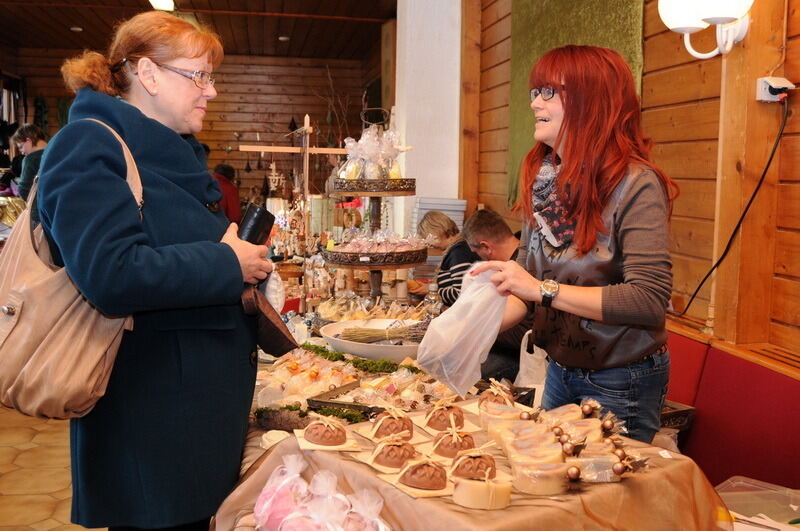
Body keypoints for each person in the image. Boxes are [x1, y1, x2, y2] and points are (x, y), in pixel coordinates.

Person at [36, 11, 274, 530]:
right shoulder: (89, 145)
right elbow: (110, 273)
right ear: (147, 74)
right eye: (199, 75)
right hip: (151, 419)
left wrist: (243, 260)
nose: (210, 91)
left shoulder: (173, 154)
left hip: (190, 414)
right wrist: (226, 261)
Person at [473, 45, 678, 443]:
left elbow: (648, 299)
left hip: (620, 378)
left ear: (591, 101)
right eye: (535, 92)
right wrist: (465, 328)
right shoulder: (544, 182)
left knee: (606, 499)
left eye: (549, 92)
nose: (535, 103)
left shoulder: (636, 184)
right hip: (559, 369)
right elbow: (528, 289)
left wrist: (541, 290)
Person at [462, 208, 529, 382]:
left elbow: (526, 332)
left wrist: (471, 328)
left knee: (463, 373)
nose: (480, 258)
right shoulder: (513, 259)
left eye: (477, 252)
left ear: (486, 246)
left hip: (520, 356)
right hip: (503, 348)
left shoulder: (524, 268)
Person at [416, 210, 479, 306]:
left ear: (437, 232)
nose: (429, 244)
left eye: (429, 238)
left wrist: (432, 291)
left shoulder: (458, 252)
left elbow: (459, 293)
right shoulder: (457, 248)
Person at [11, 123, 48, 201]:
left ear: (28, 140)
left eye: (21, 147)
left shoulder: (31, 159)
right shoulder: (57, 152)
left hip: (38, 209)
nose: (22, 152)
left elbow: (24, 192)